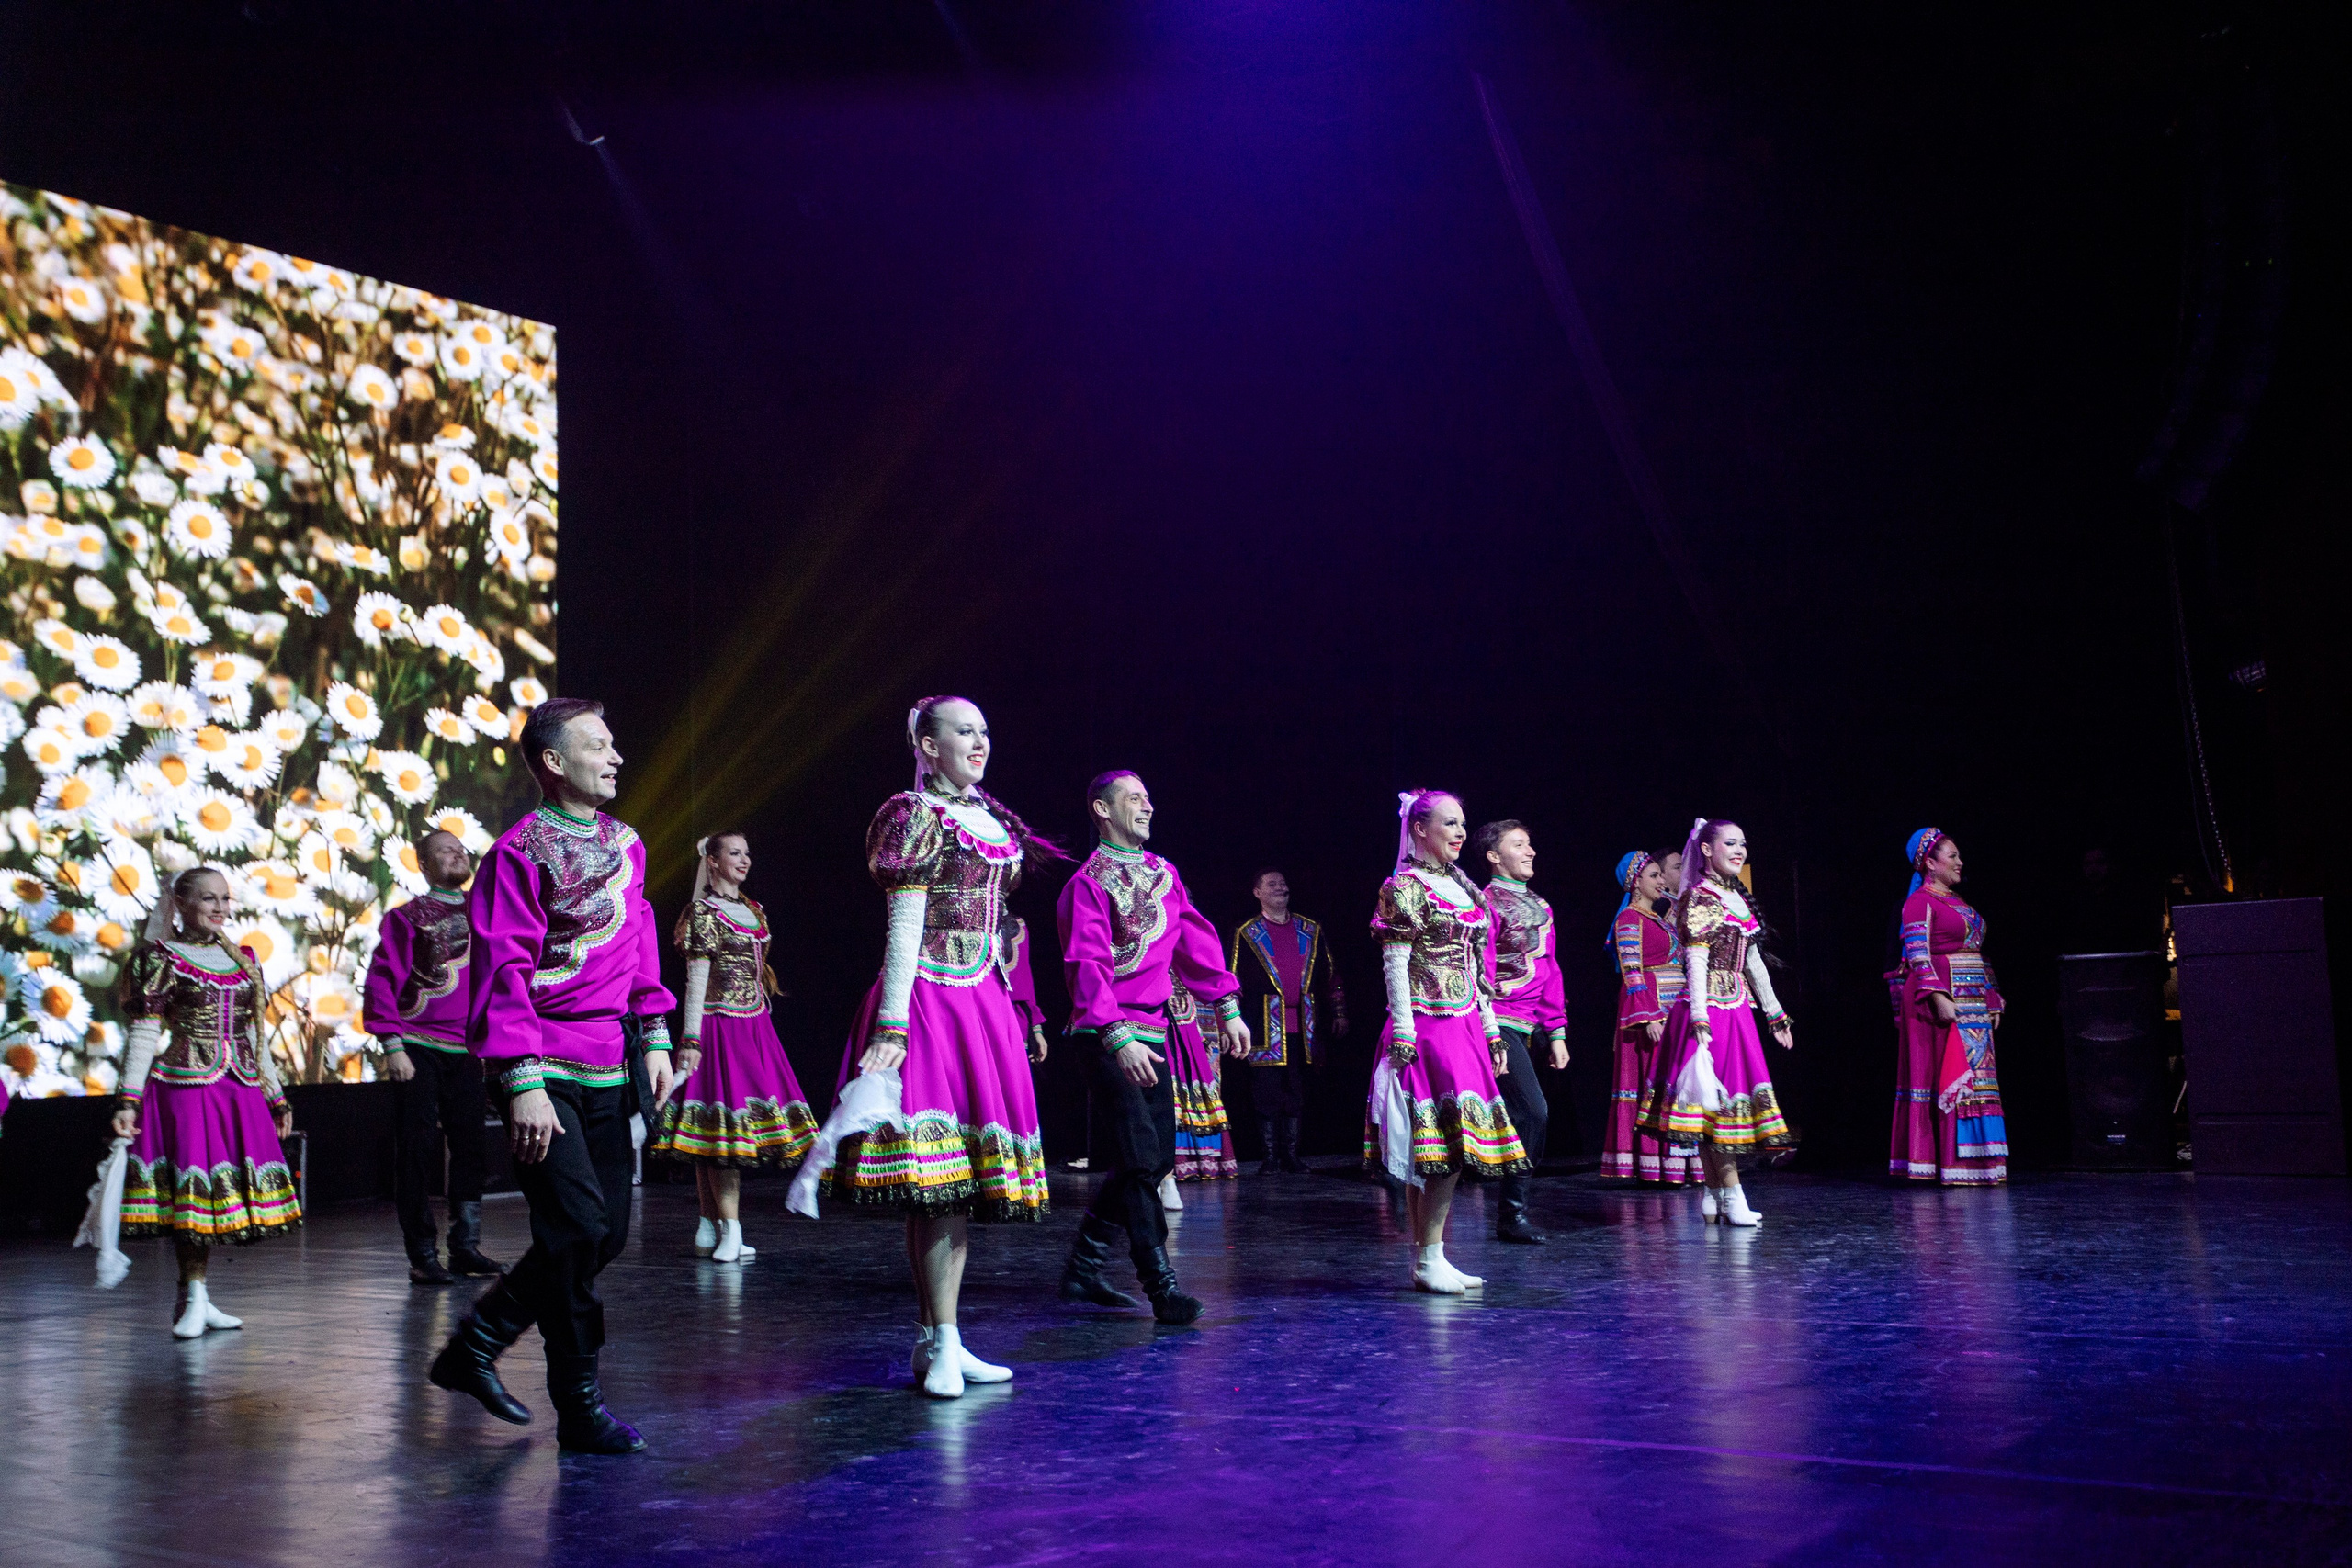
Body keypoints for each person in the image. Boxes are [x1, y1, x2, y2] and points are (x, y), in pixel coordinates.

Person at [425, 697, 677, 1455]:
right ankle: (578, 1405)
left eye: (615, 743)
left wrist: (655, 1030)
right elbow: (501, 968)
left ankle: (479, 1340)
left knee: (601, 1234)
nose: (617, 757)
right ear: (554, 762)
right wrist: (522, 1078)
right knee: (573, 1227)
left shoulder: (626, 844)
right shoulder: (518, 853)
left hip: (608, 1058)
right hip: (537, 1058)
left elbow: (638, 940)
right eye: (600, 745)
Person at [789, 695, 1056, 1399]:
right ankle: (940, 1340)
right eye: (964, 729)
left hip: (983, 1002)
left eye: (986, 729)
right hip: (931, 999)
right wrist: (894, 1022)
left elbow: (1004, 927)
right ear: (927, 745)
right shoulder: (914, 815)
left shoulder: (990, 817)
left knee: (955, 1188)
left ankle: (943, 1337)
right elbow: (903, 926)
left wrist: (1020, 1007)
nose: (980, 740)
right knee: (934, 1186)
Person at [1056, 772, 1250, 1324]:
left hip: (1155, 1033)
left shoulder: (1164, 873)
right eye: (1133, 798)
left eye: (1147, 797)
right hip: (1107, 1036)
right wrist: (1116, 1036)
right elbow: (1085, 965)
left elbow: (1192, 937)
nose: (1147, 805)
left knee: (1154, 1158)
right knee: (1141, 1159)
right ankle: (1160, 1285)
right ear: (1101, 809)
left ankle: (1084, 1268)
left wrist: (1226, 1004)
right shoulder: (1088, 883)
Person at [109, 866, 301, 1337]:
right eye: (208, 899)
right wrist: (128, 1101)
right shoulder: (161, 958)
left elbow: (256, 1036)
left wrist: (276, 1097)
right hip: (185, 1090)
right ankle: (192, 1295)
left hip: (238, 1090)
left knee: (222, 1199)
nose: (220, 908)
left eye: (225, 899)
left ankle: (199, 1295)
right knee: (193, 1200)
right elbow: (145, 1032)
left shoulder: (244, 959)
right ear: (181, 904)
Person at [1365, 791, 1529, 1293]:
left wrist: (1492, 1027)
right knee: (1435, 1151)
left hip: (1464, 1028)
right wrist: (1405, 1031)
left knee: (1444, 1152)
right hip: (1427, 1028)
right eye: (1449, 823)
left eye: (1463, 823)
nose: (1460, 833)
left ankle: (1429, 1255)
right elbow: (1394, 964)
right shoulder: (1406, 887)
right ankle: (1428, 1256)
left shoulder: (1464, 889)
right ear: (1419, 829)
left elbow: (1476, 970)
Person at [650, 831, 819, 1261]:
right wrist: (690, 1040)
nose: (744, 860)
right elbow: (696, 982)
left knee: (714, 1136)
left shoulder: (753, 910)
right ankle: (731, 1228)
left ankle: (710, 1225)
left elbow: (758, 968)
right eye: (734, 853)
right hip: (717, 1028)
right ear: (712, 861)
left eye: (747, 853)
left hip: (754, 1026)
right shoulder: (704, 914)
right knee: (723, 1136)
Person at [363, 829, 503, 1286]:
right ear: (423, 864)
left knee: (472, 1149)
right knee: (418, 1151)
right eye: (445, 850)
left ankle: (464, 1246)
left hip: (466, 1049)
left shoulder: (488, 915)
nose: (457, 854)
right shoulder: (408, 918)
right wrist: (392, 1044)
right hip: (418, 1045)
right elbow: (382, 980)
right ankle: (422, 1253)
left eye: (461, 850)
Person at [1638, 818, 1793, 1227]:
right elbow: (1697, 959)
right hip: (1710, 1010)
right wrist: (1700, 1016)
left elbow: (1753, 961)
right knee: (1716, 1110)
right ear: (1706, 850)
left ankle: (1714, 1194)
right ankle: (1734, 1196)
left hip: (1736, 1007)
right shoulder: (1702, 897)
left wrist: (1775, 1012)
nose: (1739, 850)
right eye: (1730, 843)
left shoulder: (1735, 897)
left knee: (1714, 1112)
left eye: (1743, 843)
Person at [1888, 829, 2007, 1185]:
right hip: (1940, 1001)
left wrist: (1992, 993)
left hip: (1972, 998)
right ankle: (1947, 1162)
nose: (1960, 862)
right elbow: (1918, 955)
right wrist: (1938, 998)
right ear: (1930, 863)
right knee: (1949, 1076)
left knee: (1978, 1079)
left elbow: (1976, 952)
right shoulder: (1919, 902)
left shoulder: (1958, 902)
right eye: (1952, 856)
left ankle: (1981, 1163)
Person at [1473, 819, 1568, 1244]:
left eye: (1530, 843)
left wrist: (1557, 1031)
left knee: (1523, 1114)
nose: (1530, 851)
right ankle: (1511, 1213)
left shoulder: (1541, 906)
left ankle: (1510, 1212)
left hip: (1527, 1025)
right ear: (1494, 856)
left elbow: (1550, 971)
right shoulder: (1484, 903)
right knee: (1532, 1111)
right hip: (1494, 1022)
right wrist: (1489, 1009)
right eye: (1519, 845)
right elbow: (1481, 966)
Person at [1229, 869, 1347, 1175]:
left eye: (1283, 883)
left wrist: (1338, 1011)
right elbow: (1233, 981)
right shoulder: (1247, 932)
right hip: (1263, 1024)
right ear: (1257, 893)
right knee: (1266, 1092)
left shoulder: (1311, 929)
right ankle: (1269, 1157)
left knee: (1296, 1091)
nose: (1281, 887)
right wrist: (1230, 1022)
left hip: (1304, 1025)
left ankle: (1292, 1155)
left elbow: (1330, 975)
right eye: (1272, 884)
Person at [1605, 852, 1697, 1184]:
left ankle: (1683, 1163)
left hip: (1675, 1010)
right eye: (1655, 876)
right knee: (1654, 1085)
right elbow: (1632, 973)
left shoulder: (1656, 918)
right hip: (1652, 1012)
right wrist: (1651, 1017)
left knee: (1679, 1084)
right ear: (1636, 882)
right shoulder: (1629, 919)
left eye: (1662, 875)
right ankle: (1655, 1164)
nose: (1662, 881)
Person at [1162, 976, 1238, 1197]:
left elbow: (1212, 978)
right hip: (1160, 1016)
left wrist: (1223, 1026)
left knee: (1198, 1084)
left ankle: (1204, 1161)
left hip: (1192, 1019)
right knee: (1171, 1086)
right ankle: (1173, 1166)